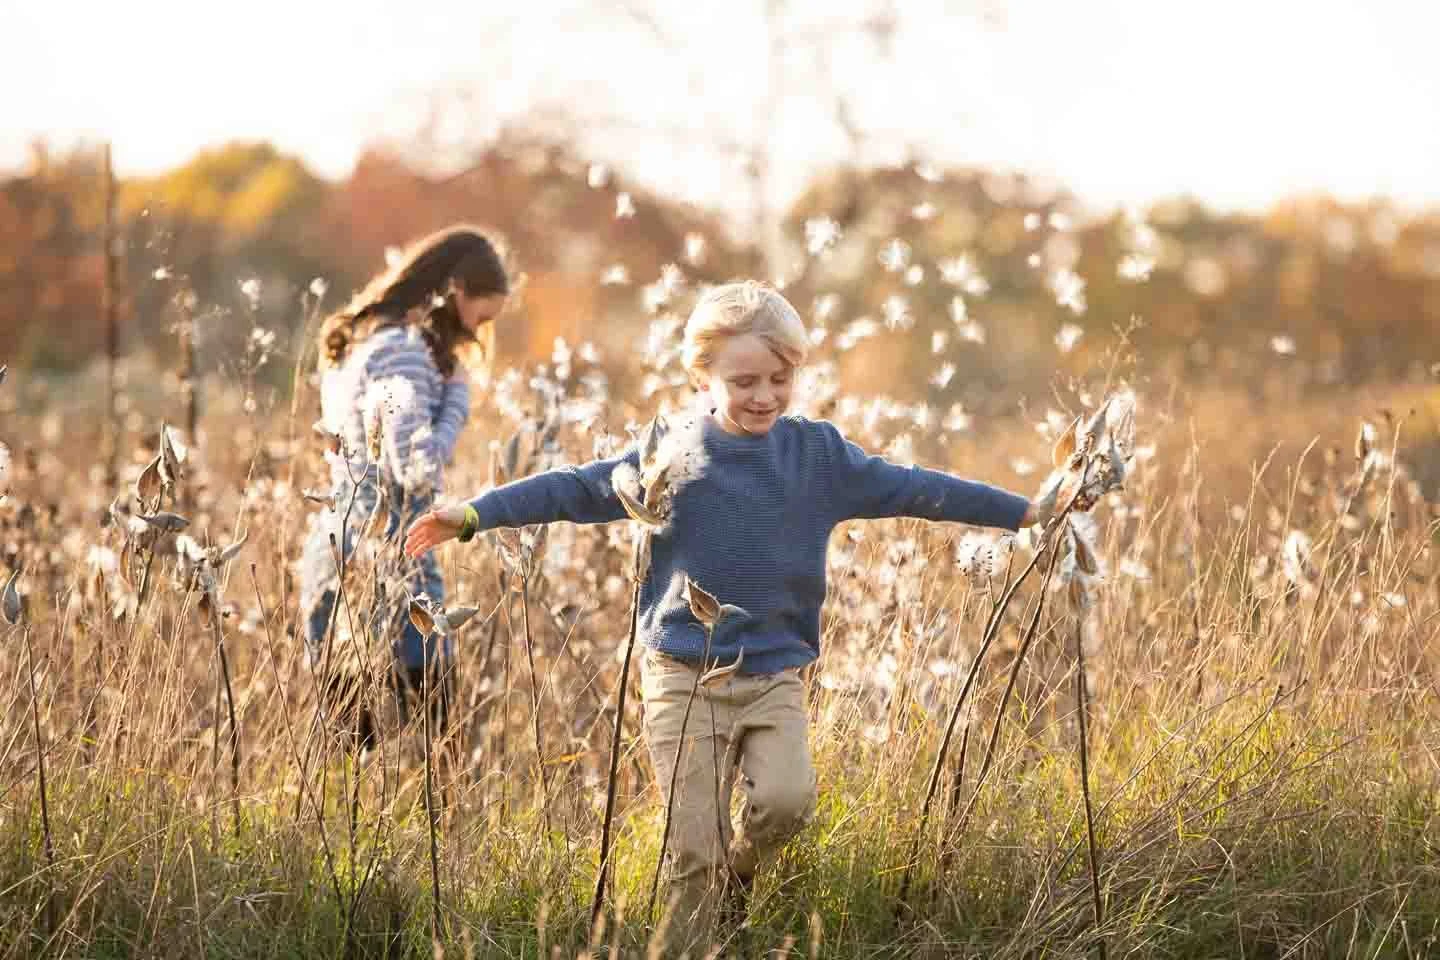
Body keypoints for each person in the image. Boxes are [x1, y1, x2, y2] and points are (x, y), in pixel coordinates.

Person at [403, 280, 1071, 952]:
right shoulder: (676, 453)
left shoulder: (817, 456)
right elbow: (578, 488)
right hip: (682, 678)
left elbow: (917, 487)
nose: (764, 396)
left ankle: (740, 878)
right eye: (745, 379)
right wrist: (475, 514)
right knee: (692, 850)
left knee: (786, 802)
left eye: (780, 379)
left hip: (775, 674)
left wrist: (1024, 511)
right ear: (703, 375)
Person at [299, 224, 509, 742]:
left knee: (350, 749)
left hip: (343, 549)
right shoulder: (405, 352)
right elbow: (416, 465)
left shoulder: (371, 340)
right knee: (432, 744)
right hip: (393, 556)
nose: (481, 330)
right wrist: (459, 399)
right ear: (456, 290)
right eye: (483, 314)